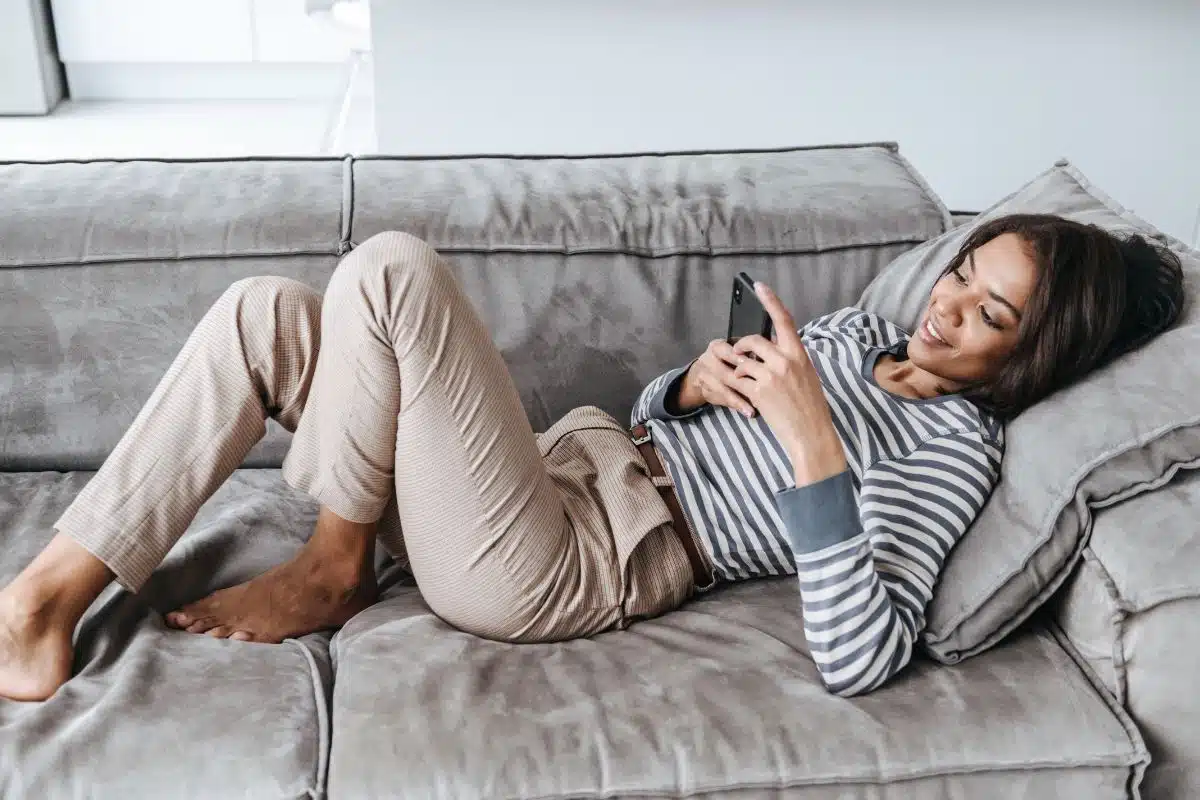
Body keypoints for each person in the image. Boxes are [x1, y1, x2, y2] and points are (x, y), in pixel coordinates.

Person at [0, 214, 1184, 702]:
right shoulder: (862, 332)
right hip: (554, 471)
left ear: (1035, 357)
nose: (947, 308)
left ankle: (334, 560)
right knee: (268, 310)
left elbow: (864, 654)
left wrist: (813, 440)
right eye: (966, 275)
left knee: (394, 271)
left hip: (571, 561)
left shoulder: (950, 450)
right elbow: (668, 419)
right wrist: (692, 384)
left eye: (992, 316)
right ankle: (46, 600)